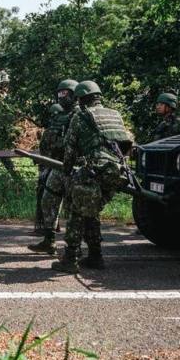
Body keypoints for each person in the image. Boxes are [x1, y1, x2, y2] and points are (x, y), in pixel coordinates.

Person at [52, 80, 133, 274]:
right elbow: (127, 144)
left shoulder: (81, 117)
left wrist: (67, 172)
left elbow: (69, 150)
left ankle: (70, 259)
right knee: (91, 209)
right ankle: (96, 256)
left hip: (94, 171)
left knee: (76, 212)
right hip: (117, 173)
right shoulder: (115, 115)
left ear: (81, 99)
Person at [29, 79, 78, 253]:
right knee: (48, 201)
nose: (61, 96)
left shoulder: (79, 115)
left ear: (74, 95)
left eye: (65, 93)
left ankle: (75, 249)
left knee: (73, 209)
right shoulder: (59, 116)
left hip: (74, 168)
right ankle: (49, 241)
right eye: (59, 93)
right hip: (57, 166)